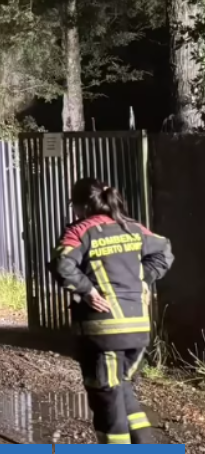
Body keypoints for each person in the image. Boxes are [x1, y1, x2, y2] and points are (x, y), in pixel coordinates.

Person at [49, 177, 173, 445]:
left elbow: (61, 264)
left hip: (103, 332)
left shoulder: (80, 231)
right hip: (138, 330)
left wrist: (88, 291)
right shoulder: (133, 228)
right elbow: (164, 252)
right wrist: (143, 279)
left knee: (105, 397)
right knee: (121, 389)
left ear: (81, 205)